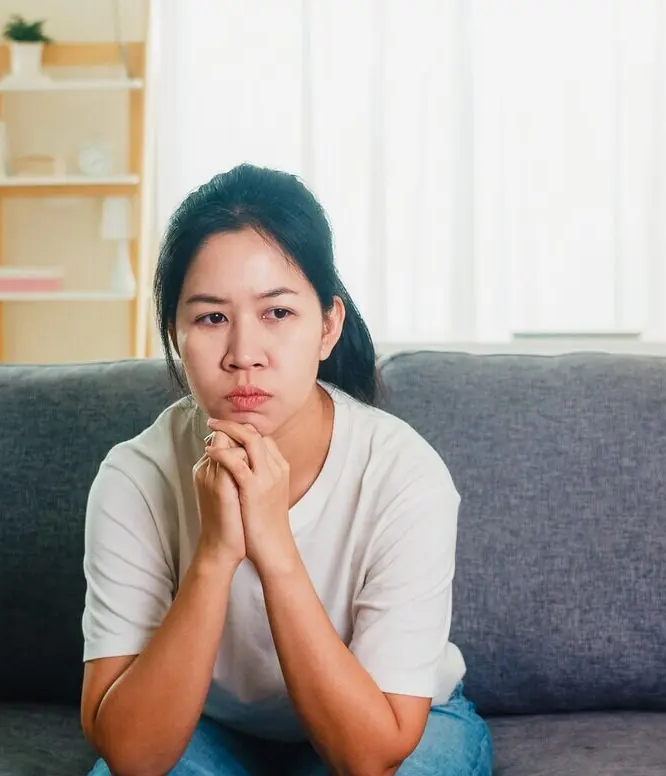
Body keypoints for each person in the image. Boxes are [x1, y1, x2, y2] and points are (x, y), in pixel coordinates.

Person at [78, 163, 492, 776]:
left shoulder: (404, 474)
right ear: (175, 332)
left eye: (277, 314)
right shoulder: (134, 477)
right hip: (210, 731)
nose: (244, 355)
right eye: (211, 317)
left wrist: (274, 548)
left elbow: (370, 754)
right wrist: (217, 555)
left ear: (328, 326)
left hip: (391, 723)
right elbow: (133, 755)